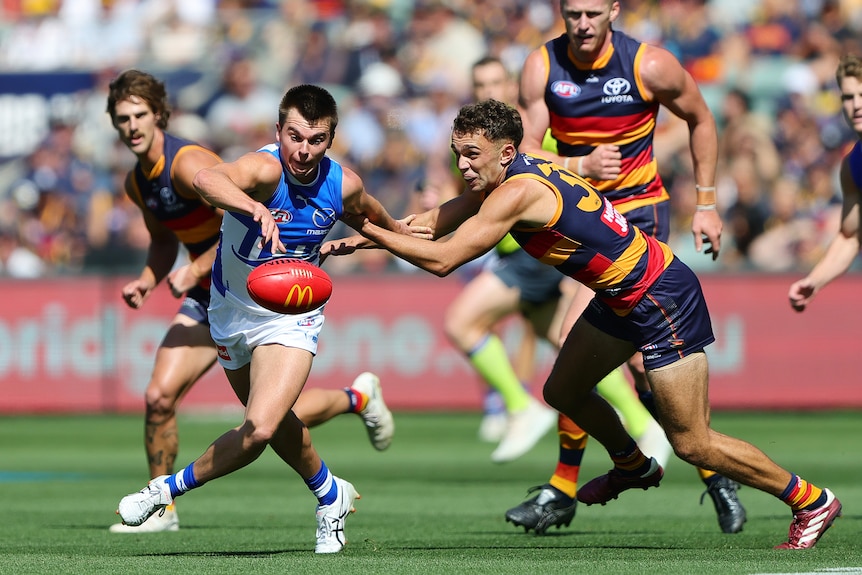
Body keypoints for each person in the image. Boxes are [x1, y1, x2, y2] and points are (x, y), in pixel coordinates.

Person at [326, 98, 842, 550]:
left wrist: (363, 226)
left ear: (506, 153)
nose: (461, 165)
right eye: (457, 153)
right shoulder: (508, 175)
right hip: (620, 297)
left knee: (692, 443)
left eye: (471, 155)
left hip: (658, 296)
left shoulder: (515, 192)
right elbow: (424, 224)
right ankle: (631, 464)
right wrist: (362, 235)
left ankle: (810, 500)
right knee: (564, 390)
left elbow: (442, 259)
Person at [113, 83, 414, 552]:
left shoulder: (343, 184)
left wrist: (362, 240)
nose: (304, 150)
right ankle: (331, 494)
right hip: (229, 310)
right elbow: (207, 180)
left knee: (262, 429)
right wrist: (254, 207)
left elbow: (386, 227)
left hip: (292, 316)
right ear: (278, 131)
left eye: (316, 140)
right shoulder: (264, 169)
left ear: (331, 140)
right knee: (274, 422)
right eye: (295, 136)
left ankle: (163, 491)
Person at [509, 0, 744, 535]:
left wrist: (706, 202)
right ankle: (712, 471)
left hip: (639, 216)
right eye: (572, 13)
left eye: (593, 12)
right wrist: (577, 165)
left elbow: (701, 118)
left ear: (614, 9)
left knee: (579, 346)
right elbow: (522, 148)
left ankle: (565, 488)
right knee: (632, 367)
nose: (583, 23)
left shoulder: (649, 65)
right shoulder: (542, 66)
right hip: (579, 217)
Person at [445, 56, 668, 474]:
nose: (486, 90)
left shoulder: (529, 131)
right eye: (479, 83)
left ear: (512, 84)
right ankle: (640, 426)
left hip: (541, 251)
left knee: (462, 321)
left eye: (495, 80)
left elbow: (560, 173)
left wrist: (582, 165)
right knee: (571, 352)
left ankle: (520, 409)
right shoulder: (477, 138)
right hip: (524, 250)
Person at [788, 54, 862, 312]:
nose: (856, 105)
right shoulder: (852, 166)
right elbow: (851, 236)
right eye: (849, 97)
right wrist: (815, 280)